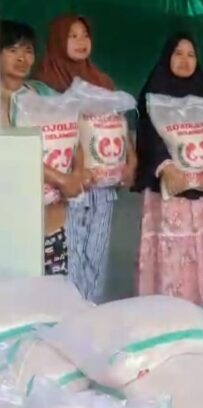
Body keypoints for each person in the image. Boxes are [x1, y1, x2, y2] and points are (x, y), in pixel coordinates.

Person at [34, 15, 137, 302]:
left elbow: (119, 124)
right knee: (70, 253)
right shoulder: (44, 85)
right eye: (72, 36)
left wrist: (131, 160)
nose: (81, 42)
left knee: (97, 252)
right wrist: (73, 173)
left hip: (103, 185)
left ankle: (92, 309)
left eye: (85, 35)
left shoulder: (102, 81)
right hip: (66, 187)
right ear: (58, 40)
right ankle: (72, 310)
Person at [133, 33, 203, 304]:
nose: (185, 60)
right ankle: (166, 312)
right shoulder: (153, 94)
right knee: (171, 253)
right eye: (178, 53)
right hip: (168, 192)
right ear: (167, 57)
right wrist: (167, 167)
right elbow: (146, 135)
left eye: (191, 55)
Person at [1, 19, 81, 276]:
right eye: (12, 50)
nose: (21, 58)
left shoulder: (43, 93)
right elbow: (13, 153)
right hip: (11, 219)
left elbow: (74, 134)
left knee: (52, 290)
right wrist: (61, 179)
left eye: (28, 50)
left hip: (52, 221)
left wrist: (77, 173)